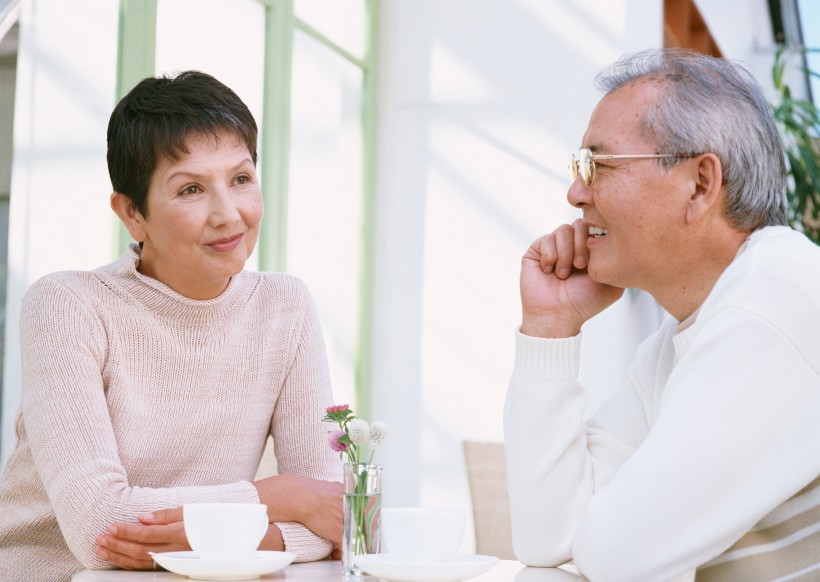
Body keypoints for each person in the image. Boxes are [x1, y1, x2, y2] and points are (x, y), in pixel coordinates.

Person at [0, 71, 343, 581]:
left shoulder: (284, 307)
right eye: (190, 189)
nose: (229, 215)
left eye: (241, 179)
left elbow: (334, 520)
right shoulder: (68, 305)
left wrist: (247, 528)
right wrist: (278, 498)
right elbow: (101, 529)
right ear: (132, 213)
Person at [504, 48, 820, 581]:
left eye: (596, 165)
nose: (575, 193)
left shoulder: (772, 300)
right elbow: (547, 538)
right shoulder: (679, 339)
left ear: (700, 184)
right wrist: (549, 327)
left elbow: (616, 556)